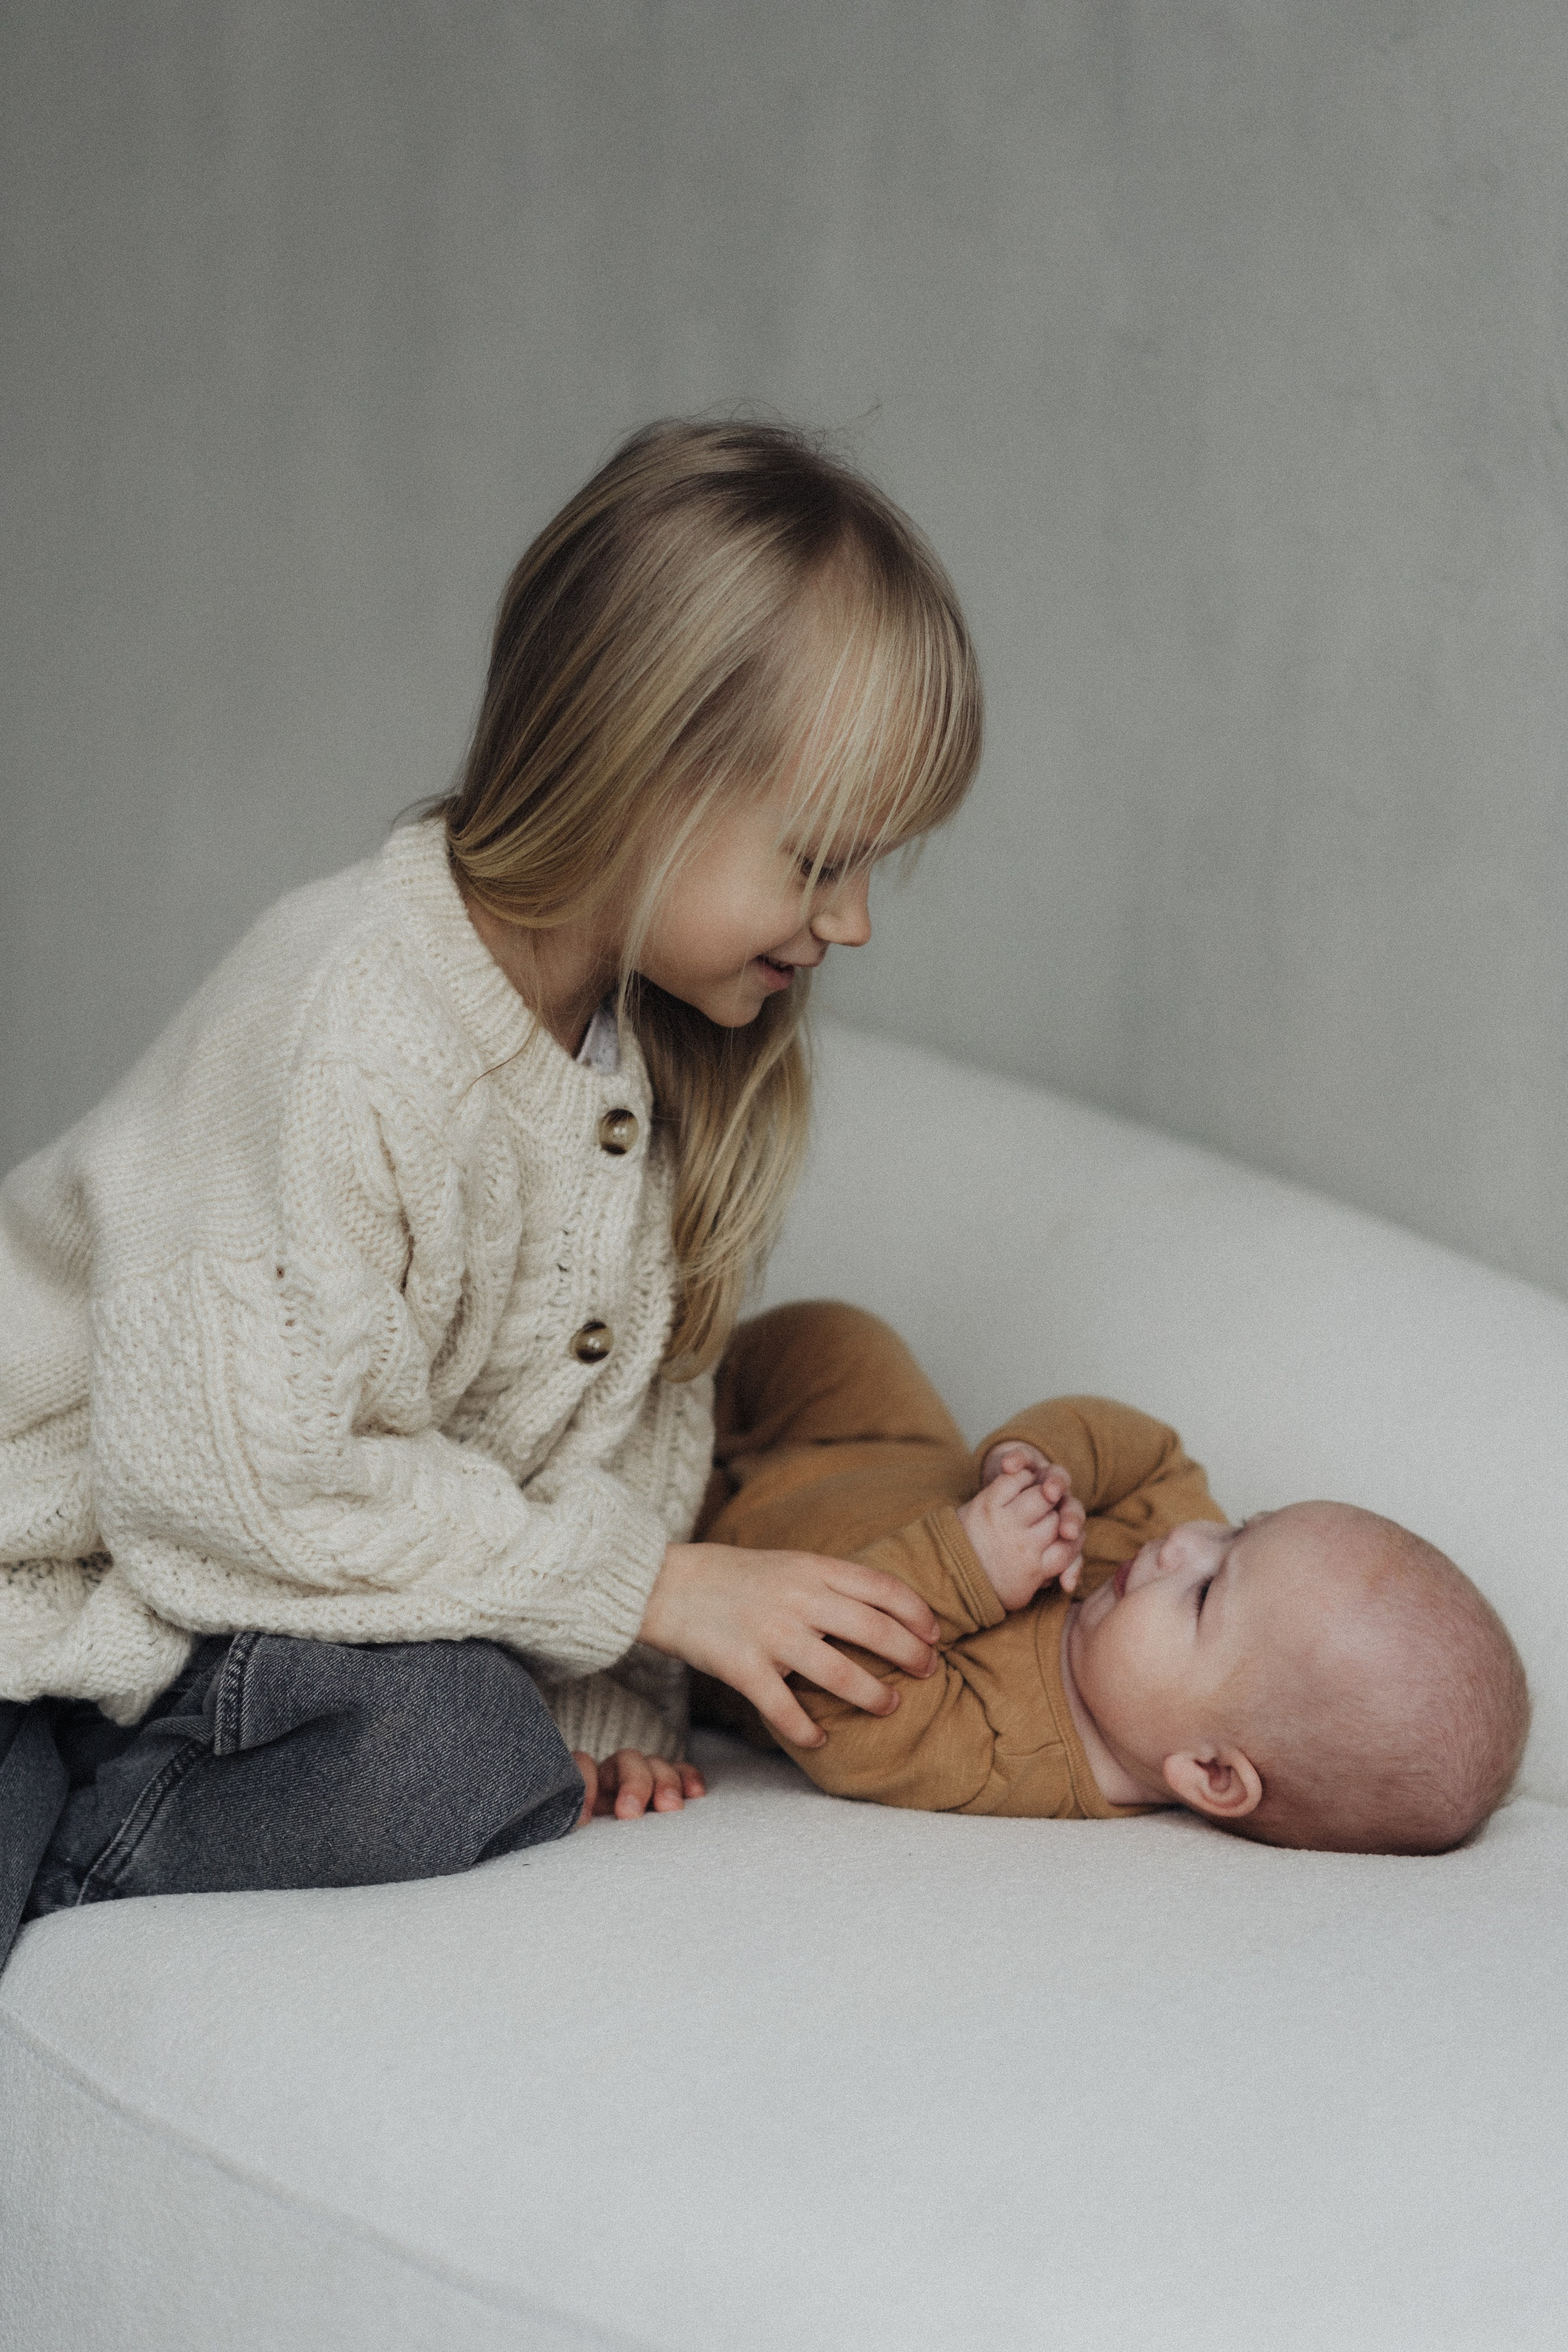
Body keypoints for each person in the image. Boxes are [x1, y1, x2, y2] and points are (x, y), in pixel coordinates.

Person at [0, 421, 981, 1964]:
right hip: (55, 1584)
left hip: (249, 1622)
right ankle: (60, 1842)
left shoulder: (664, 1068)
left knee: (464, 1753)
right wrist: (652, 1592)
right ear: (640, 776)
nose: (850, 921)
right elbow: (233, 1487)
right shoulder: (348, 1019)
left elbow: (628, 1437)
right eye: (817, 861)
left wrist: (596, 1710)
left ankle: (111, 1807)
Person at [694, 1302, 1530, 1854]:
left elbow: (832, 1687)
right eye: (1241, 1530)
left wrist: (972, 1567)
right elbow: (1152, 1452)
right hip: (879, 1451)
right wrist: (1039, 1463)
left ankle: (653, 1439)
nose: (1183, 1545)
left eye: (1206, 1595)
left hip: (722, 1550)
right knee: (842, 1342)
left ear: (1210, 1773)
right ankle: (686, 1372)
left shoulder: (1006, 1758)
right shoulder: (1152, 1548)